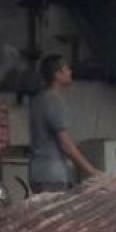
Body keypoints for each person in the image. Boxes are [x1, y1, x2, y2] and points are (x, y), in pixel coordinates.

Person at [28, 55, 101, 193]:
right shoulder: (53, 101)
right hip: (53, 173)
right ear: (57, 74)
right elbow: (66, 145)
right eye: (66, 69)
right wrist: (92, 171)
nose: (70, 72)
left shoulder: (37, 100)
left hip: (37, 171)